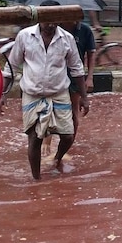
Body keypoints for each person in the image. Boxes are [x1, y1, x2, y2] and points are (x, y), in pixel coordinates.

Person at [0, 0, 90, 180]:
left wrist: (84, 98)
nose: (51, 25)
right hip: (32, 94)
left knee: (68, 135)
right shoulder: (25, 36)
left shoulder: (67, 39)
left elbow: (77, 69)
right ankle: (36, 179)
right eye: (48, 20)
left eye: (55, 20)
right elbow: (11, 67)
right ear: (40, 18)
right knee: (35, 139)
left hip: (59, 93)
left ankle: (57, 158)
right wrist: (3, 94)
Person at [41, 19, 96, 156]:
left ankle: (65, 147)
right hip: (55, 76)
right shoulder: (53, 28)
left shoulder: (84, 30)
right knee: (50, 110)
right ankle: (46, 145)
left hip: (74, 77)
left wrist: (89, 77)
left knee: (73, 112)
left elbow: (91, 53)